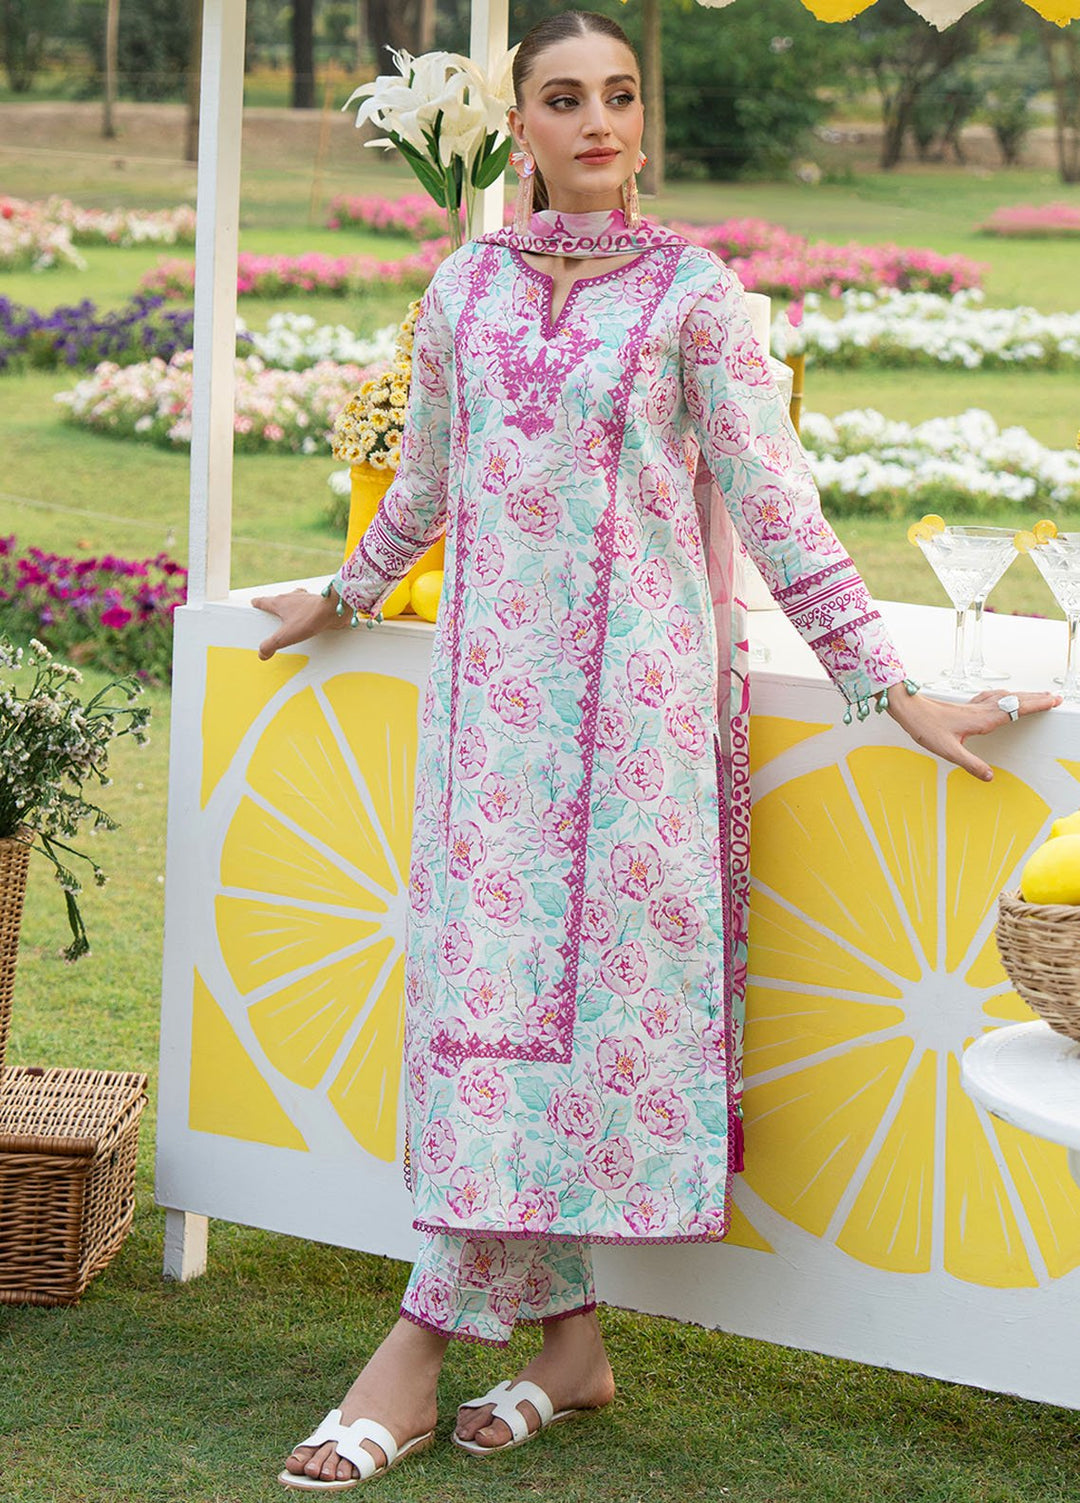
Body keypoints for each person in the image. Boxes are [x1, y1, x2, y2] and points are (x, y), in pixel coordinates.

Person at [255, 12, 1059, 1491]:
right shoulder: (463, 289)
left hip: (636, 744)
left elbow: (779, 507)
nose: (597, 122)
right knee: (488, 1028)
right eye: (564, 98)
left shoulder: (696, 299)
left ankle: (412, 1355)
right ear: (519, 126)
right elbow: (427, 479)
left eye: (619, 95)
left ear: (642, 119)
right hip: (489, 734)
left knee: (564, 1037)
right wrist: (347, 594)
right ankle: (569, 1347)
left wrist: (891, 689)